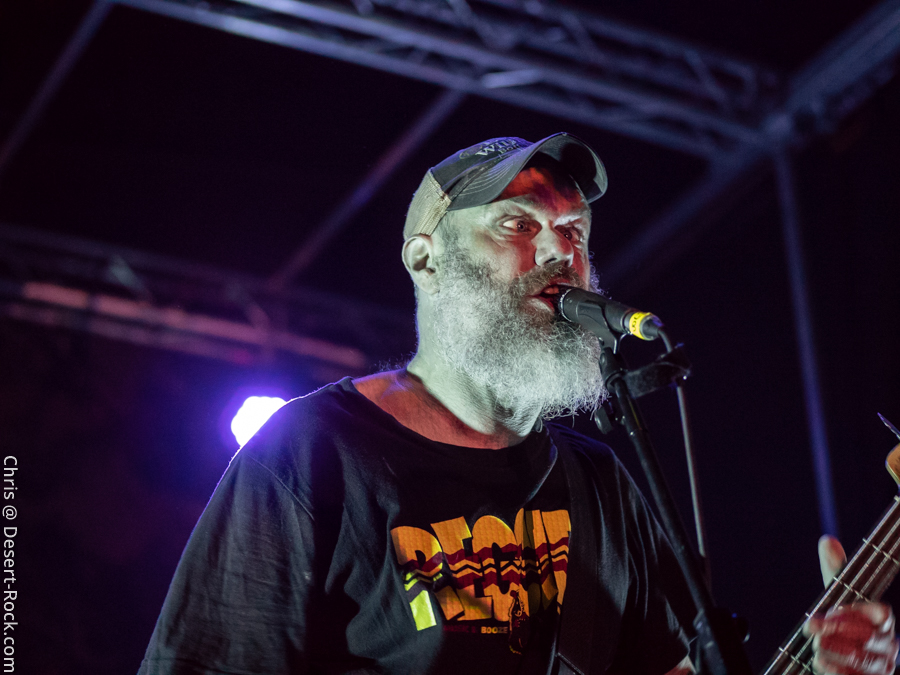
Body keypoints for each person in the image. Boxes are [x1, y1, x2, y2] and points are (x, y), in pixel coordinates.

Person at [138, 134, 897, 675]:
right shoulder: (311, 451)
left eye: (574, 230)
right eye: (518, 224)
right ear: (426, 258)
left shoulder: (600, 483)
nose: (561, 251)